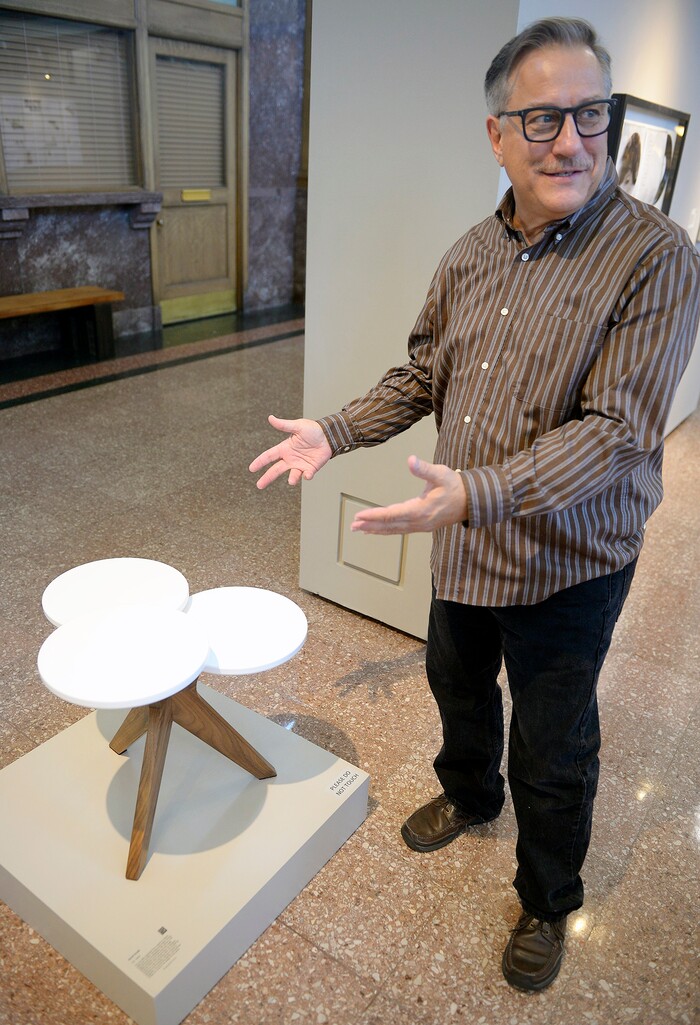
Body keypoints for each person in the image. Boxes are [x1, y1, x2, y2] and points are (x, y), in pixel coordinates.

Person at [249, 17, 700, 992]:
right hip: (461, 542)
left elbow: (618, 429)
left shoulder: (654, 256)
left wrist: (478, 493)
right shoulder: (468, 253)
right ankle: (467, 791)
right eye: (541, 118)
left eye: (590, 113)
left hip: (568, 559)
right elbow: (422, 372)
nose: (572, 139)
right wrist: (334, 430)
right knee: (456, 684)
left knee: (554, 741)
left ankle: (547, 895)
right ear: (496, 134)